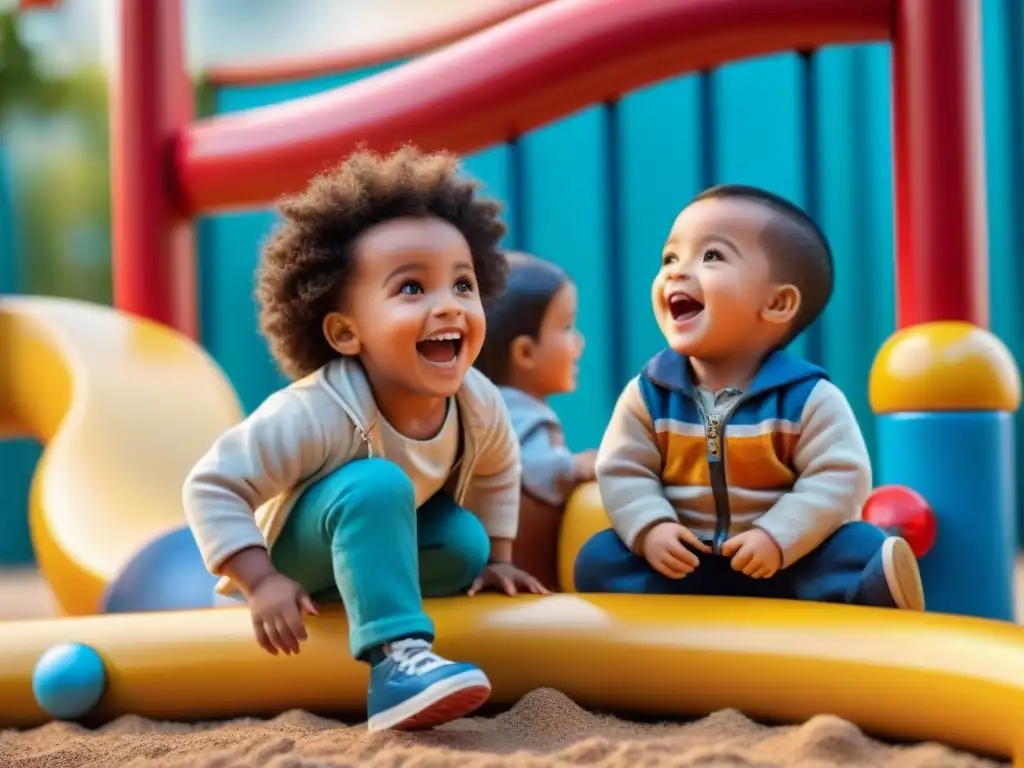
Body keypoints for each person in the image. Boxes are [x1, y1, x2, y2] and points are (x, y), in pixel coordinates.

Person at [182, 146, 547, 733]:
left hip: (367, 550)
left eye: (462, 284)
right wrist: (262, 581)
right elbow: (212, 485)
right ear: (346, 332)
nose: (447, 306)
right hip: (297, 562)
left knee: (463, 541)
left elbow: (497, 474)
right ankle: (394, 665)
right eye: (411, 289)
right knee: (376, 483)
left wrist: (500, 560)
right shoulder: (315, 411)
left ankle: (380, 606)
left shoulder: (479, 403)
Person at [573, 184, 925, 612]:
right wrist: (652, 528)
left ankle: (870, 591)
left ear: (777, 303)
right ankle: (660, 607)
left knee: (861, 543)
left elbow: (840, 479)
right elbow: (624, 470)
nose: (676, 272)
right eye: (670, 258)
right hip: (685, 563)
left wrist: (776, 536)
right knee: (599, 558)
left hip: (786, 563)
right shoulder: (649, 393)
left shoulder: (807, 398)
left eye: (712, 256)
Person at [474, 252, 594, 590]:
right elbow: (533, 468)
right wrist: (575, 467)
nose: (579, 343)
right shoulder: (518, 414)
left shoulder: (485, 406)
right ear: (525, 352)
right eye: (568, 327)